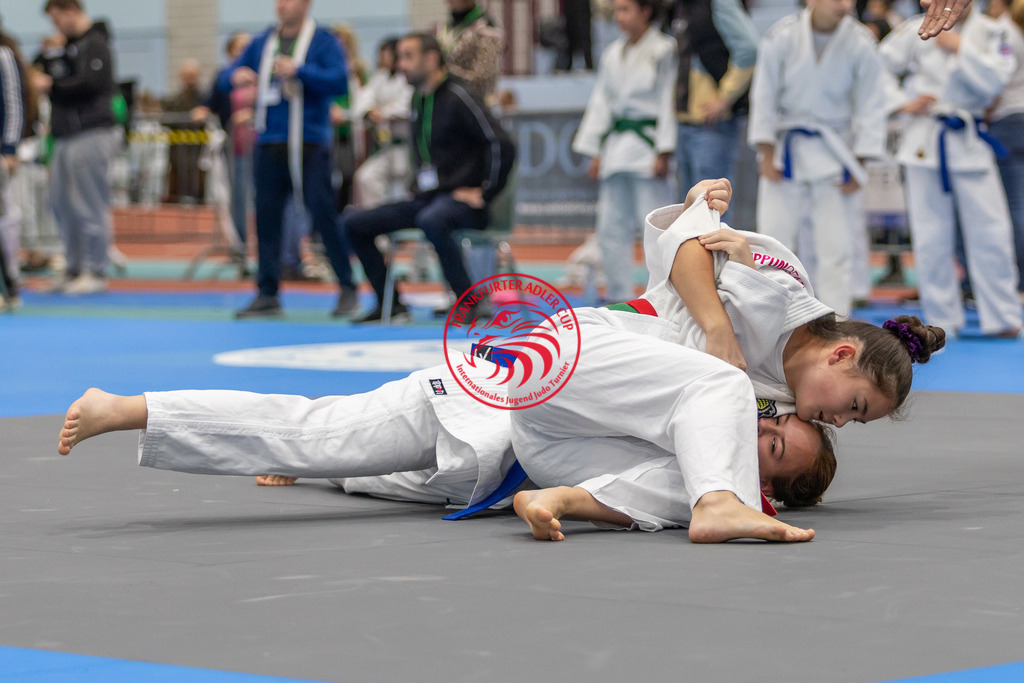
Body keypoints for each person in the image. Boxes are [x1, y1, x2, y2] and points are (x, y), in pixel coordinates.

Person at [342, 33, 515, 323]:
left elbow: (501, 144)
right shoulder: (417, 99)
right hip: (428, 200)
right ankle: (391, 304)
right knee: (353, 223)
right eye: (400, 57)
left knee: (432, 219)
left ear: (432, 59)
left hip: (465, 203)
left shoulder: (460, 95)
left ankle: (470, 303)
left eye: (408, 56)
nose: (401, 64)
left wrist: (486, 191)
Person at [879, 6, 1023, 336]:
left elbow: (997, 80)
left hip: (970, 140)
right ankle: (941, 318)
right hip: (924, 138)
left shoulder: (992, 31)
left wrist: (961, 48)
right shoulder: (915, 29)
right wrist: (901, 102)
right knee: (931, 236)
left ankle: (1002, 315)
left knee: (992, 232)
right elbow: (876, 67)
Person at [748, 0, 888, 316]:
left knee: (835, 245)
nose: (844, 4)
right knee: (773, 239)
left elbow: (872, 103)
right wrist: (766, 150)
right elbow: (764, 95)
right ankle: (770, 318)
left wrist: (861, 160)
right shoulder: (781, 36)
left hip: (835, 151)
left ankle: (836, 319)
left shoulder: (861, 41)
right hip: (785, 150)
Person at [226, 0, 360, 319]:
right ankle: (267, 292)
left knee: (323, 213)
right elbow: (226, 75)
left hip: (309, 141)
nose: (282, 5)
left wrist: (300, 71)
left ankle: (347, 287)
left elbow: (339, 81)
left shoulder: (324, 41)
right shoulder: (262, 42)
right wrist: (236, 74)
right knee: (266, 218)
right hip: (270, 140)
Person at [573, 0, 676, 303]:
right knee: (610, 230)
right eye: (616, 10)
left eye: (625, 10)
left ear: (646, 11)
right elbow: (601, 104)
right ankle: (619, 297)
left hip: (648, 147)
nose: (618, 17)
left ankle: (662, 298)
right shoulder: (612, 54)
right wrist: (595, 150)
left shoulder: (665, 49)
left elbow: (669, 99)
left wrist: (665, 150)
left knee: (656, 229)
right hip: (616, 150)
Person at [32, 0, 119, 296]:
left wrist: (52, 86)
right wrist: (51, 52)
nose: (55, 27)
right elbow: (36, 70)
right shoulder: (66, 46)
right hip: (64, 134)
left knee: (89, 202)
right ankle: (74, 268)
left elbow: (90, 83)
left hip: (91, 131)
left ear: (71, 10)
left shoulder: (95, 43)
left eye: (57, 19)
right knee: (61, 203)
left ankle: (96, 270)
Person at [667, 0, 759, 211]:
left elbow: (749, 49)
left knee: (711, 209)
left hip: (710, 125)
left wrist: (724, 97)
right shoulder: (682, 6)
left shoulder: (720, 3)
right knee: (687, 209)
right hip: (685, 121)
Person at [986, 0, 1024, 305]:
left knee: (1012, 209)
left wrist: (984, 110)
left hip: (1007, 121)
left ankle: (1018, 281)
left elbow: (995, 81)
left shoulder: (1004, 32)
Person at [352, 37, 413, 209]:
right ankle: (378, 221)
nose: (383, 59)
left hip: (407, 147)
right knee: (366, 177)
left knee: (406, 190)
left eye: (387, 54)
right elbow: (364, 99)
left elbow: (407, 105)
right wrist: (369, 111)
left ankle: (407, 224)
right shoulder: (380, 77)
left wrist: (383, 113)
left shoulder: (407, 77)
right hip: (386, 146)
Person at [0, 21, 29, 310]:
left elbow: (13, 104)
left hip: (1, 153)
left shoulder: (3, 56)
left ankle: (10, 285)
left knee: (4, 219)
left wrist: (10, 148)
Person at [437, 0, 504, 100]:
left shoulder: (486, 27)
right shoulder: (447, 27)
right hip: (447, 97)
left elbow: (484, 78)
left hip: (474, 99)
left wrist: (442, 73)